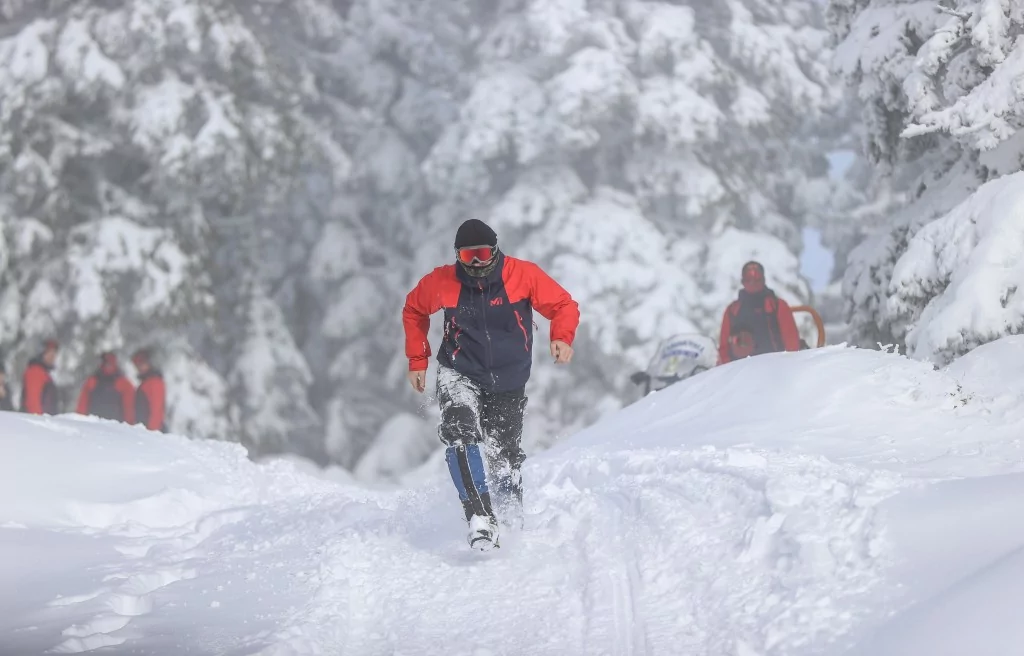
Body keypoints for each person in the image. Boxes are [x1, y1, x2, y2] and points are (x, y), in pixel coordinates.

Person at [402, 219, 580, 549]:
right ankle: (480, 517)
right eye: (467, 256)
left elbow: (563, 305)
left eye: (482, 254)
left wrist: (561, 337)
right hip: (459, 369)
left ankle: (511, 519)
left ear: (495, 250)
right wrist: (418, 359)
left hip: (509, 377)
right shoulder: (442, 281)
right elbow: (414, 309)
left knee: (504, 455)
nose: (476, 263)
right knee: (460, 431)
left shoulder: (521, 275)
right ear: (457, 256)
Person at [718, 260, 801, 364]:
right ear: (743, 281)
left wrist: (790, 365)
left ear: (763, 280)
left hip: (776, 367)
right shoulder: (732, 310)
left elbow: (791, 341)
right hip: (739, 371)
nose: (753, 283)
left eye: (757, 279)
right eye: (749, 279)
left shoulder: (777, 306)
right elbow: (724, 347)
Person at [76, 352, 135, 424]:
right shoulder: (92, 381)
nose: (109, 366)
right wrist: (80, 422)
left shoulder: (123, 383)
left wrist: (129, 426)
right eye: (107, 362)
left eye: (111, 362)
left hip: (116, 428)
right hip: (93, 426)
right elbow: (82, 407)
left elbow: (129, 409)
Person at [131, 348, 167, 432]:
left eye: (142, 363)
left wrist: (151, 433)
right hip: (144, 431)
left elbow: (156, 411)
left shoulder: (154, 382)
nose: (139, 367)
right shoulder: (147, 382)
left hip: (150, 433)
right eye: (137, 364)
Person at [21, 339, 60, 414]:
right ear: (41, 354)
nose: (53, 357)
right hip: (38, 422)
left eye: (54, 354)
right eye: (50, 353)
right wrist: (40, 422)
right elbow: (32, 402)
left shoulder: (44, 373)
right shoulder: (35, 371)